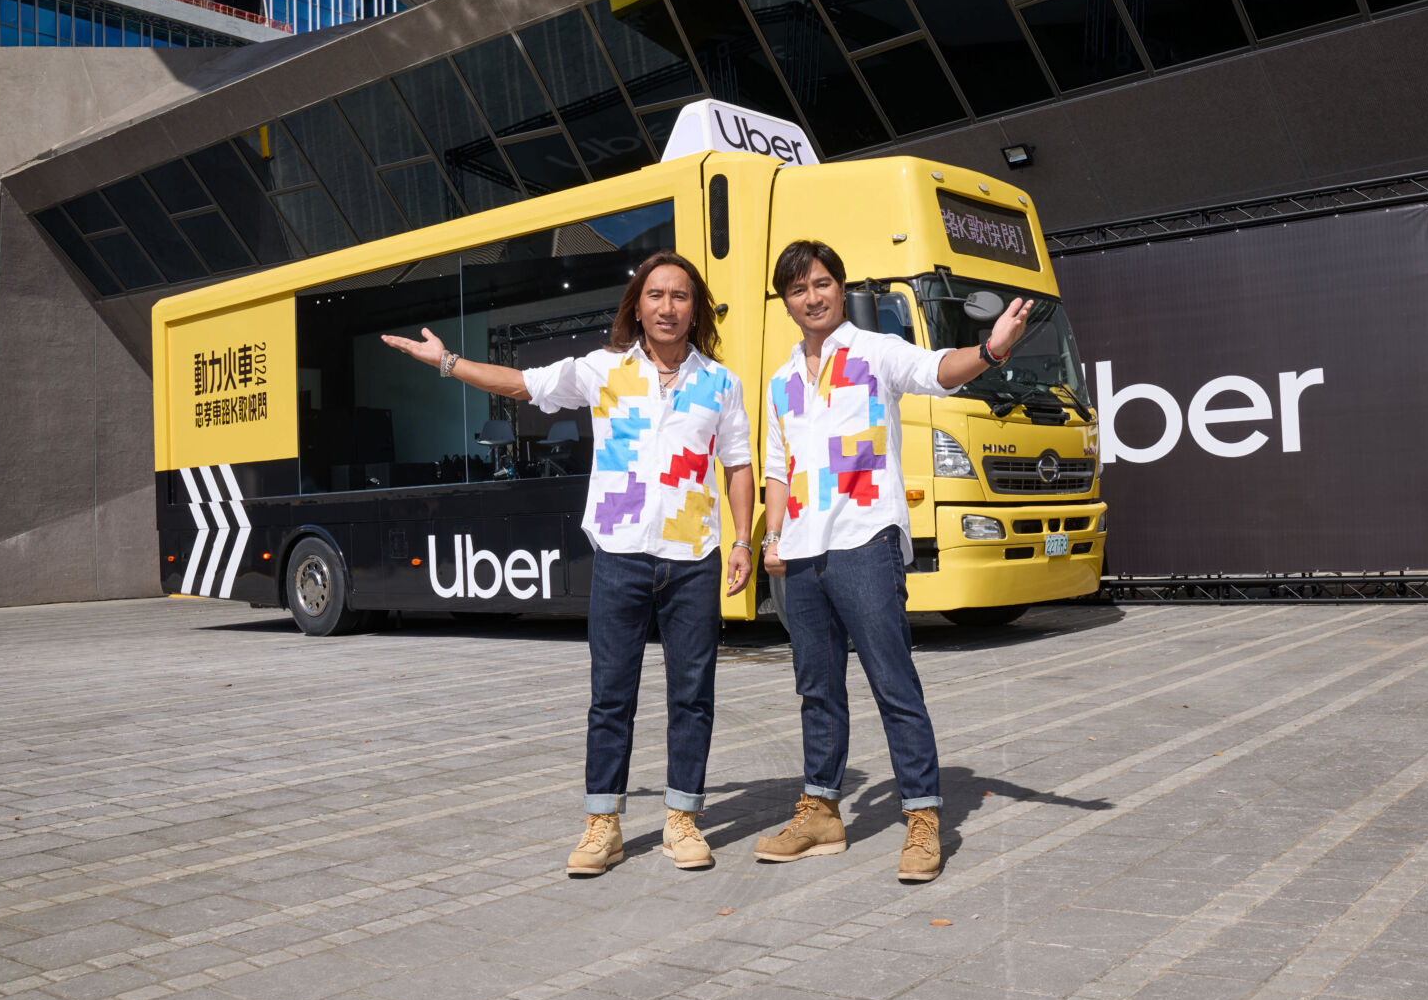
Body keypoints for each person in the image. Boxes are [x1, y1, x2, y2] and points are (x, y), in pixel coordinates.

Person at [382, 251, 753, 877]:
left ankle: (682, 818)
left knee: (692, 696)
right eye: (656, 294)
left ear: (695, 309)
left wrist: (743, 539)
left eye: (680, 296)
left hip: (693, 557)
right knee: (611, 696)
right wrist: (447, 363)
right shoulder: (603, 370)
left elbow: (738, 464)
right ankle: (602, 824)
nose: (667, 306)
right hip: (619, 554)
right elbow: (522, 383)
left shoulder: (721, 383)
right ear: (637, 306)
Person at [755, 239, 1029, 882]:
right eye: (798, 289)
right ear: (786, 301)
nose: (812, 297)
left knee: (893, 684)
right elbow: (777, 467)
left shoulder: (874, 352)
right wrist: (772, 538)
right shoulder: (782, 378)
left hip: (865, 540)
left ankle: (924, 817)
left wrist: (992, 349)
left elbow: (939, 369)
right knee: (815, 690)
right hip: (800, 553)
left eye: (822, 283)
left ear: (838, 287)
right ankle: (821, 810)